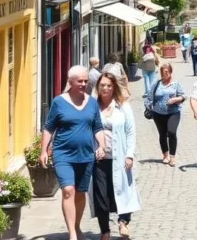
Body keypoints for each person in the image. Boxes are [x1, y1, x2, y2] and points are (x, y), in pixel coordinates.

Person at [40, 66, 105, 240]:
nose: (84, 84)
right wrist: (44, 151)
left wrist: (101, 145)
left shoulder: (92, 102)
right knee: (68, 190)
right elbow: (48, 128)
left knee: (80, 193)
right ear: (70, 82)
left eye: (86, 81)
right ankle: (72, 234)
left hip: (85, 155)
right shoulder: (59, 102)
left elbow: (97, 127)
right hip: (63, 154)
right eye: (80, 81)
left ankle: (76, 225)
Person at [92, 72, 141, 239]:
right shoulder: (92, 106)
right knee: (101, 197)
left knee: (123, 191)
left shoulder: (123, 106)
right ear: (98, 87)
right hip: (99, 159)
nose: (105, 88)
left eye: (109, 85)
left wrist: (129, 155)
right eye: (102, 85)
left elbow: (130, 132)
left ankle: (123, 221)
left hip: (119, 157)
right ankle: (105, 230)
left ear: (114, 88)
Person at [144, 62, 185, 167]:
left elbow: (183, 96)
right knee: (162, 134)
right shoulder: (156, 84)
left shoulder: (176, 84)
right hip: (158, 114)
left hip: (173, 113)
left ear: (171, 72)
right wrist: (149, 107)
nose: (164, 74)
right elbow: (149, 97)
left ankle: (172, 157)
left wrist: (176, 99)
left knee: (171, 132)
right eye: (162, 72)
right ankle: (165, 155)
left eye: (166, 72)